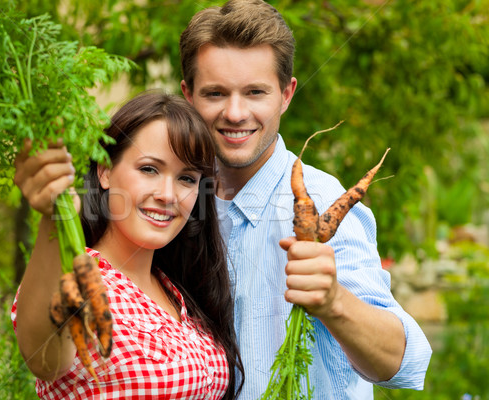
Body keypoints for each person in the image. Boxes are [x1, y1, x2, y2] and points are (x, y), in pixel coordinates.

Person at [178, 0, 432, 398]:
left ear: (286, 94)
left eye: (255, 92)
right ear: (188, 95)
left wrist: (333, 301)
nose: (235, 112)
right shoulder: (175, 203)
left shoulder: (322, 202)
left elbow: (403, 361)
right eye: (215, 93)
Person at [11, 91, 244, 399]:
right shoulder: (79, 279)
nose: (167, 195)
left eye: (187, 179)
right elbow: (45, 359)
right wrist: (54, 216)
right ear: (105, 170)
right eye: (149, 169)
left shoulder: (177, 290)